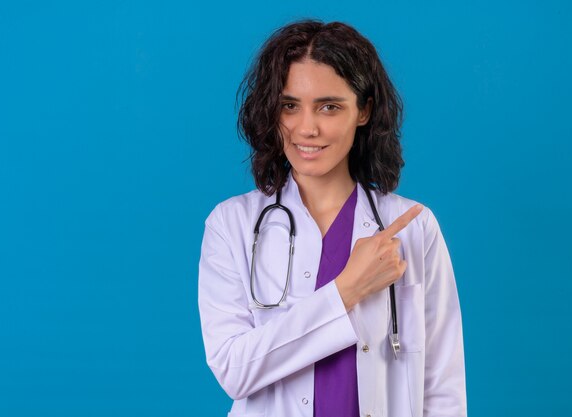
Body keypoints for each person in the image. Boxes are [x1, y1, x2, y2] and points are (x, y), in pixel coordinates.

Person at [198, 20, 466, 417]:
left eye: (329, 106)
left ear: (364, 111)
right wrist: (347, 290)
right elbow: (234, 371)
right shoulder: (231, 225)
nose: (307, 128)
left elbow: (443, 389)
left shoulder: (413, 227)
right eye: (290, 105)